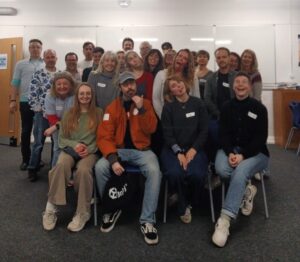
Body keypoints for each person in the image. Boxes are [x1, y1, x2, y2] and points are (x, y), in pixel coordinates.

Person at [95, 71, 161, 245]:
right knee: (100, 167)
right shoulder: (112, 107)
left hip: (142, 150)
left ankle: (147, 220)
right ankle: (111, 208)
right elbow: (104, 137)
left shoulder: (145, 103)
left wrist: (142, 109)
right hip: (119, 151)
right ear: (120, 87)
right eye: (126, 84)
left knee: (154, 171)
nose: (130, 87)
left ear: (136, 85)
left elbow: (152, 129)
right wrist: (113, 159)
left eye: (132, 83)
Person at [212, 72, 269, 247]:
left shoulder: (259, 108)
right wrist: (230, 152)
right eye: (237, 82)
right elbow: (223, 134)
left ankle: (225, 220)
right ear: (233, 86)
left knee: (241, 170)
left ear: (250, 86)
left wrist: (243, 155)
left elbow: (261, 138)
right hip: (231, 150)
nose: (241, 85)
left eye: (244, 82)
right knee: (221, 169)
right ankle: (246, 190)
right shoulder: (226, 106)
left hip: (257, 153)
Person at [42, 83, 103, 232]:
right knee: (60, 165)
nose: (85, 96)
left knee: (83, 170)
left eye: (88, 93)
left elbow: (102, 137)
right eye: (81, 93)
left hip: (90, 151)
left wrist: (88, 149)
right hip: (71, 149)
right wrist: (75, 145)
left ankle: (83, 213)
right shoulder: (69, 113)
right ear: (77, 96)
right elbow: (62, 138)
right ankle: (51, 208)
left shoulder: (99, 113)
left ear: (92, 95)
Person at [160, 75, 208, 223]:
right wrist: (179, 152)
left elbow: (204, 130)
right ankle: (183, 205)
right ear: (171, 92)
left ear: (185, 84)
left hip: (195, 148)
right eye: (173, 86)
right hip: (172, 149)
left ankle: (190, 200)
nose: (178, 86)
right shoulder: (168, 108)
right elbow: (167, 134)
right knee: (175, 173)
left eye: (179, 82)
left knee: (197, 175)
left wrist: (193, 150)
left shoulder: (198, 104)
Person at [9, 38, 44, 171]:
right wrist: (13, 100)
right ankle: (25, 159)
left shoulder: (46, 63)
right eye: (32, 47)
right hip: (25, 101)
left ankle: (37, 159)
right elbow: (15, 83)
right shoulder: (20, 64)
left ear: (41, 49)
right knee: (25, 131)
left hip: (42, 103)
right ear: (29, 49)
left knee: (39, 133)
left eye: (37, 47)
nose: (35, 49)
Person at [27, 49, 59, 181]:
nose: (50, 59)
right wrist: (38, 109)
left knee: (56, 143)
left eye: (53, 57)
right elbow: (32, 92)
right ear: (44, 59)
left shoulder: (61, 74)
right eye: (48, 57)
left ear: (56, 58)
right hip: (42, 113)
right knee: (38, 142)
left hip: (58, 114)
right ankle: (32, 168)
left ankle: (54, 168)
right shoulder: (38, 74)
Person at [204, 47, 237, 163]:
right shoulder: (210, 78)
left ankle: (236, 160)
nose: (221, 59)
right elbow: (207, 99)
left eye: (224, 57)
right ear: (216, 60)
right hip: (216, 117)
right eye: (218, 57)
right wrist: (218, 114)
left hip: (235, 116)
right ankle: (215, 166)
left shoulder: (237, 77)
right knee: (211, 135)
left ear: (229, 58)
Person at [153, 48, 200, 119]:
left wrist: (191, 118)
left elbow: (197, 98)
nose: (181, 59)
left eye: (185, 58)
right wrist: (163, 117)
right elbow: (156, 99)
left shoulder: (193, 77)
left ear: (187, 63)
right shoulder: (161, 74)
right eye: (179, 56)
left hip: (187, 117)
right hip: (167, 116)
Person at [44, 72, 76, 167]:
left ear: (70, 85)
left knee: (72, 148)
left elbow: (74, 117)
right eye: (59, 84)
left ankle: (69, 174)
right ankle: (55, 173)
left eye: (65, 83)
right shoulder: (49, 96)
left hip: (73, 124)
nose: (62, 86)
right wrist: (57, 127)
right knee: (57, 148)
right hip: (55, 124)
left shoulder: (75, 96)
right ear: (54, 86)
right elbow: (52, 117)